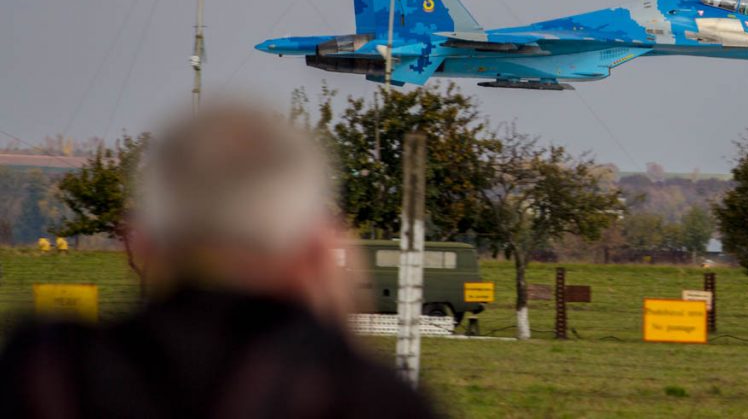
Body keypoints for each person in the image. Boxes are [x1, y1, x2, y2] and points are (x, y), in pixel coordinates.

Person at [0, 103, 440, 418]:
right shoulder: (362, 397)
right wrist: (336, 327)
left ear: (142, 242)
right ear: (313, 249)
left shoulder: (43, 374)